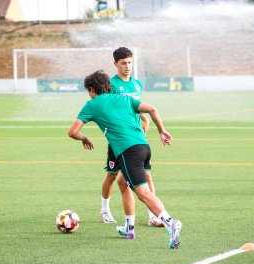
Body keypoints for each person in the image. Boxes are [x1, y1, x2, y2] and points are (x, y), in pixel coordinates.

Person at [68, 70, 182, 249]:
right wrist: (161, 130)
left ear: (91, 89)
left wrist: (84, 138)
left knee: (143, 193)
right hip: (144, 147)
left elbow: (72, 132)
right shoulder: (125, 99)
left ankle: (170, 222)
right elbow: (152, 109)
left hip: (128, 151)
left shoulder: (92, 104)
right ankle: (129, 228)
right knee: (122, 182)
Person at [99, 47, 164, 227]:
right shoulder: (110, 86)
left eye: (130, 62)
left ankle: (153, 216)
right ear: (115, 64)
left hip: (135, 138)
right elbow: (109, 109)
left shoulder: (136, 84)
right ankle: (104, 208)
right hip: (118, 139)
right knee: (112, 176)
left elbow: (135, 105)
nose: (127, 66)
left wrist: (144, 119)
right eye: (123, 63)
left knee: (147, 176)